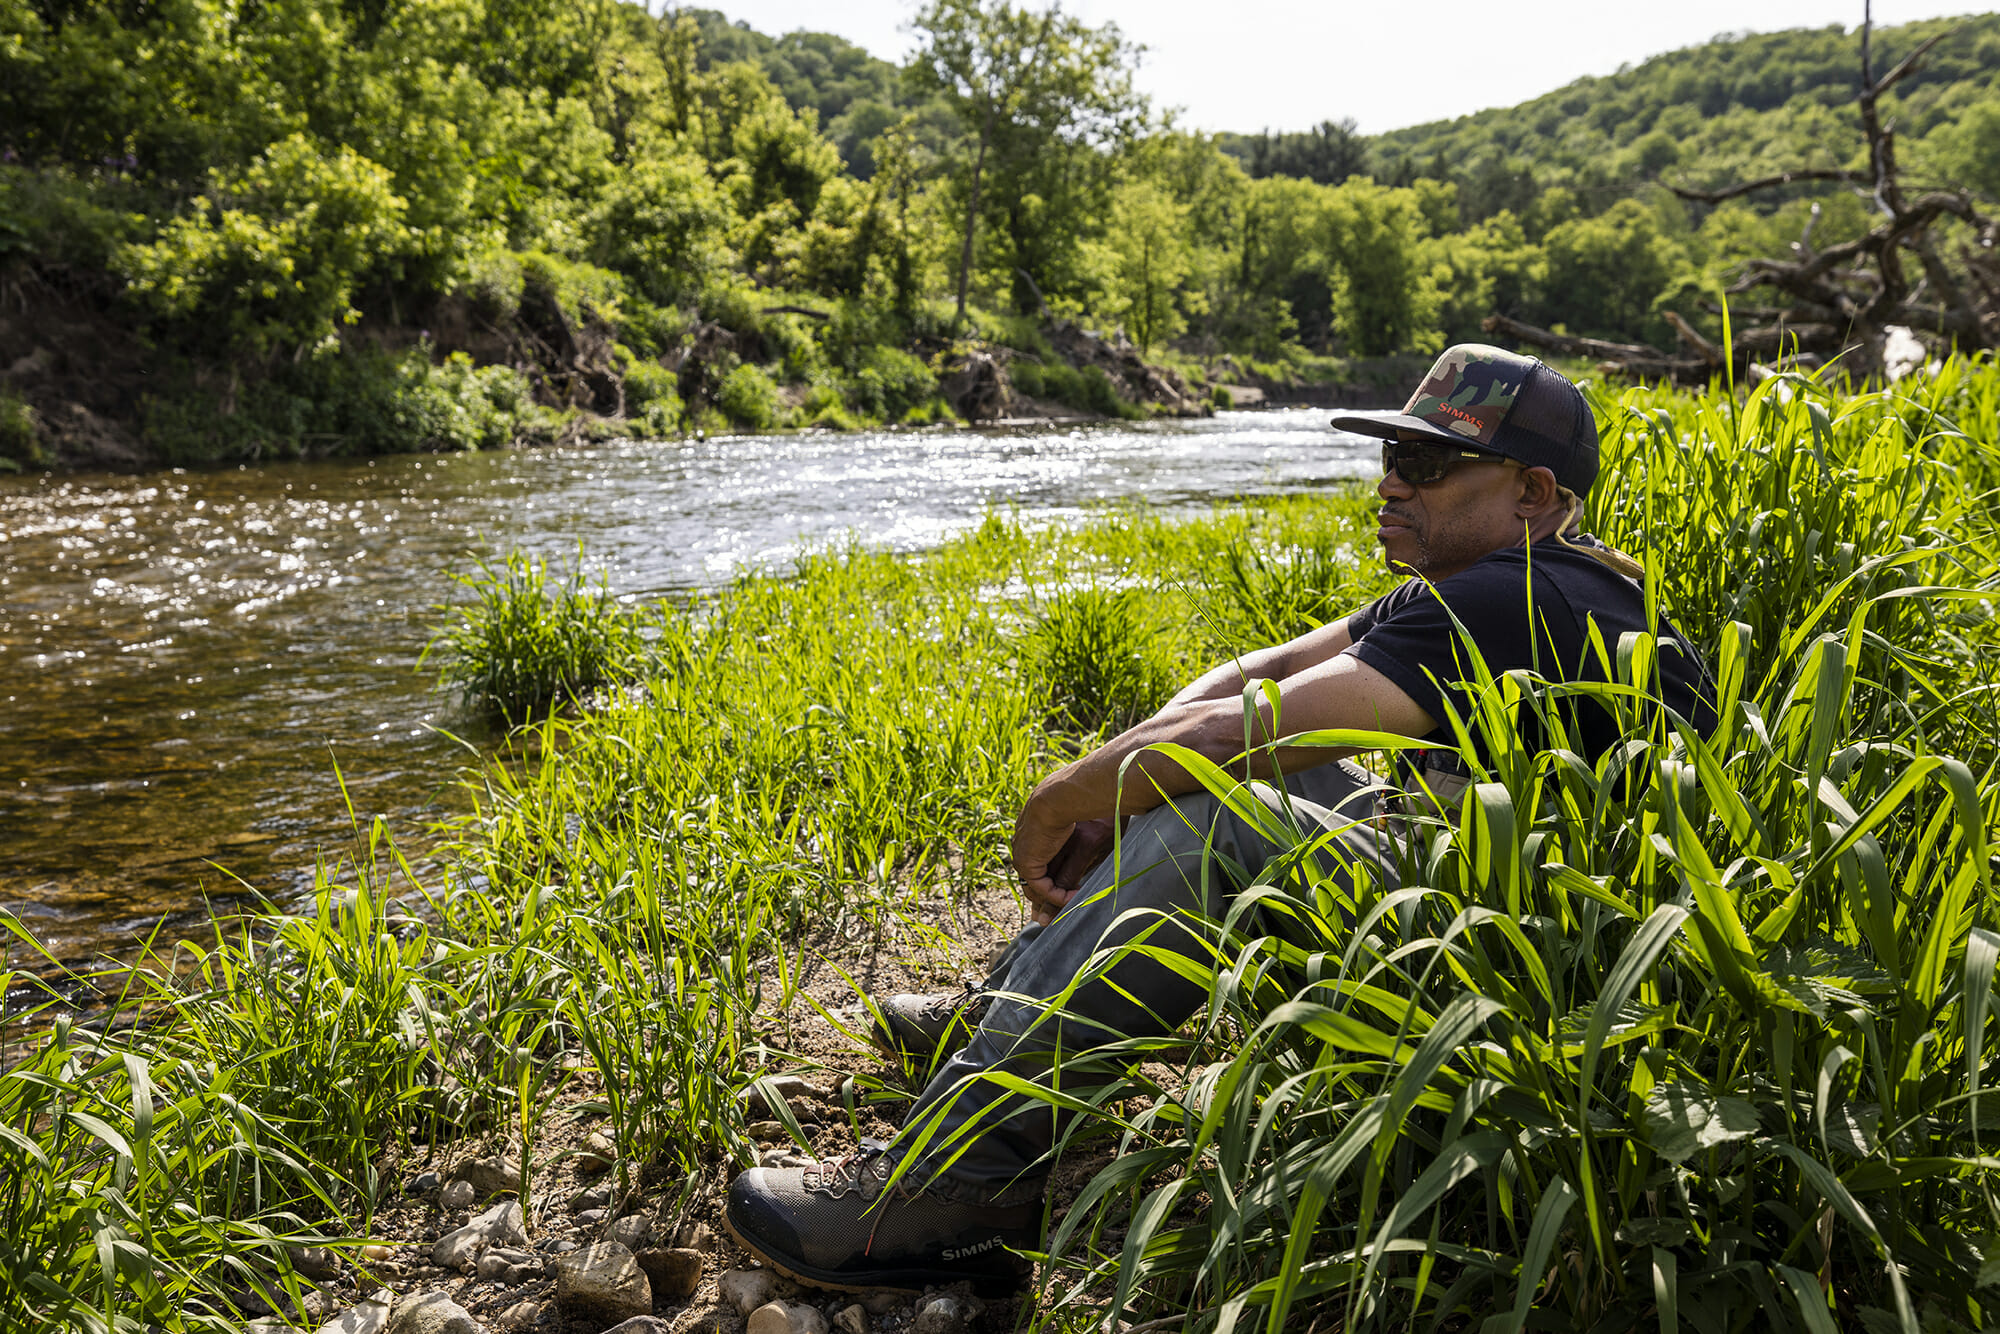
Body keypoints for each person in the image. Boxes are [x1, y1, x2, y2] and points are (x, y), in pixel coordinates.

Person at [724, 345, 1717, 1294]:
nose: (1388, 483)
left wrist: (1065, 800)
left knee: (1215, 817)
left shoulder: (1518, 595)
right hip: (1501, 935)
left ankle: (953, 1187)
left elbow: (1245, 735)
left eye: (1422, 460)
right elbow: (1249, 678)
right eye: (1387, 454)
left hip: (1570, 1008)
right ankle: (1007, 1019)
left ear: (1530, 492)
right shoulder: (1510, 579)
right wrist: (1130, 768)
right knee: (1193, 773)